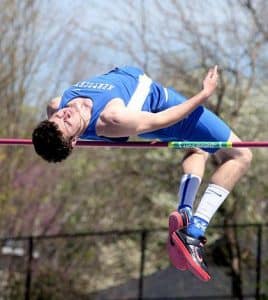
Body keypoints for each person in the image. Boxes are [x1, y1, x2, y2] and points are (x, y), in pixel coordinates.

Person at [32, 66, 252, 281]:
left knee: (198, 149)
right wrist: (204, 93)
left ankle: (185, 211)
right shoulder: (112, 118)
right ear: (74, 141)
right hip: (164, 109)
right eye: (66, 122)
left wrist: (57, 125)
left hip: (142, 113)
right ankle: (195, 231)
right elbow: (160, 120)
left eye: (59, 117)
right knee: (241, 156)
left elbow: (56, 126)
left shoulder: (55, 105)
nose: (64, 114)